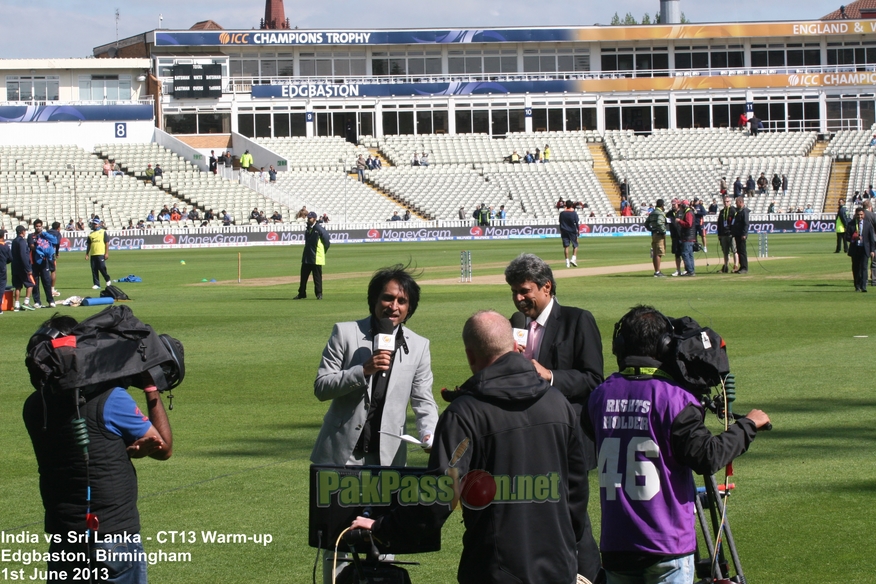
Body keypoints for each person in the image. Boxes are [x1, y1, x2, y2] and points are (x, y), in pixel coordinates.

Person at [351, 310, 586, 584]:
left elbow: (439, 494)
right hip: (558, 565)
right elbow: (576, 489)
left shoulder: (465, 413)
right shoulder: (558, 403)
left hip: (495, 568)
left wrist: (384, 528)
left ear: (470, 356)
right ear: (514, 347)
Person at [583, 305, 770, 584]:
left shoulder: (600, 395)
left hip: (616, 545)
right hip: (665, 544)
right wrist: (748, 425)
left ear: (619, 346)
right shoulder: (675, 399)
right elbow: (707, 456)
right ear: (665, 346)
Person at [23, 314, 173, 584]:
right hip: (113, 535)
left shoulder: (35, 406)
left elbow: (84, 447)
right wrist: (151, 386)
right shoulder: (112, 400)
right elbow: (163, 447)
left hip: (64, 536)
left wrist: (126, 449)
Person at [312, 265, 439, 582]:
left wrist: (429, 433)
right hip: (341, 459)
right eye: (387, 298)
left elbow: (423, 399)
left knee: (384, 537)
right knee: (338, 543)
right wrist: (362, 371)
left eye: (402, 301)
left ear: (410, 308)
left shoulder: (418, 345)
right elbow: (321, 387)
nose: (393, 306)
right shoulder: (345, 333)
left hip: (387, 461)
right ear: (374, 299)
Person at [503, 253, 604, 583]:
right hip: (523, 438)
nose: (519, 299)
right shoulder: (512, 326)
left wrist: (550, 375)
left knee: (572, 516)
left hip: (566, 439)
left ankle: (588, 575)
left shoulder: (577, 320)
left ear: (546, 287)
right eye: (514, 292)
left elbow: (593, 379)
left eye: (524, 291)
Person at [294, 212, 330, 300]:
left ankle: (319, 294)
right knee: (303, 277)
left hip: (316, 257)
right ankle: (302, 293)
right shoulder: (308, 228)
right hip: (307, 256)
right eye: (308, 218)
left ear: (314, 218)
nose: (308, 219)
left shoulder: (319, 229)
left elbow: (327, 242)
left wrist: (322, 252)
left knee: (317, 277)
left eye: (310, 218)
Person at [28, 219, 57, 309]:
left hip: (44, 262)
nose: (38, 228)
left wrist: (44, 235)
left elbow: (55, 241)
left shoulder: (45, 235)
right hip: (34, 262)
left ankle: (51, 301)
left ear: (42, 226)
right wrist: (39, 247)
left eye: (39, 226)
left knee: (47, 282)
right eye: (36, 226)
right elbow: (32, 247)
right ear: (34, 227)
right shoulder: (31, 236)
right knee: (35, 283)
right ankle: (37, 301)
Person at [847, 207, 876, 292]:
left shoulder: (868, 224)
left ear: (864, 215)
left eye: (861, 215)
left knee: (864, 268)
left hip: (865, 249)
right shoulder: (851, 224)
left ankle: (863, 286)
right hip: (855, 249)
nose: (860, 216)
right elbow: (847, 237)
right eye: (858, 215)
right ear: (855, 215)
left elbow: (871, 239)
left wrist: (872, 250)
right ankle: (857, 286)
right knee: (856, 268)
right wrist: (854, 238)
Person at [11, 225, 35, 311]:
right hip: (22, 267)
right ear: (22, 232)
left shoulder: (14, 241)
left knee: (18, 286)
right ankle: (26, 302)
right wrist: (28, 268)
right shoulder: (22, 242)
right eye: (24, 231)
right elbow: (23, 255)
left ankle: (16, 305)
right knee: (31, 284)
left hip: (15, 267)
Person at [85, 219, 111, 290]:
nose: (94, 225)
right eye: (93, 224)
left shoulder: (103, 232)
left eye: (95, 224)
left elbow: (107, 243)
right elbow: (89, 245)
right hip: (93, 254)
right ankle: (97, 284)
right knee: (94, 269)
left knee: (102, 268)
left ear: (99, 224)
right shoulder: (91, 234)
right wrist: (87, 254)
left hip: (101, 253)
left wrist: (106, 253)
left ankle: (107, 279)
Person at [645, 198, 667, 277]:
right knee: (659, 253)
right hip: (659, 234)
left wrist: (651, 229)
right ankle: (657, 272)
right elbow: (659, 223)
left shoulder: (653, 212)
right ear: (662, 205)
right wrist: (663, 231)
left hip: (653, 233)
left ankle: (657, 270)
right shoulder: (660, 213)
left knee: (655, 253)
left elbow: (646, 223)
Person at [717, 194, 738, 273]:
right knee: (725, 252)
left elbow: (735, 222)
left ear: (730, 202)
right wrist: (719, 234)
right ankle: (725, 266)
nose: (726, 203)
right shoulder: (722, 212)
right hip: (723, 234)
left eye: (727, 201)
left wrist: (733, 231)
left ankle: (735, 265)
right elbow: (719, 224)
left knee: (734, 250)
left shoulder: (733, 210)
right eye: (725, 201)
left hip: (731, 234)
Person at [676, 200, 696, 277]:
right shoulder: (689, 212)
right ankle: (691, 270)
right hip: (689, 237)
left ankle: (690, 270)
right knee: (690, 254)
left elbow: (688, 224)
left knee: (685, 254)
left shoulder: (688, 213)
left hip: (687, 237)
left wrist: (679, 221)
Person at [732, 196, 750, 274]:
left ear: (740, 202)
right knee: (739, 251)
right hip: (737, 234)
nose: (736, 204)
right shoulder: (739, 211)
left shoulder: (744, 211)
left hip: (741, 235)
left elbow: (746, 224)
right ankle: (741, 266)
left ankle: (744, 268)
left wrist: (744, 234)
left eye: (737, 202)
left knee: (742, 251)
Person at [559, 199, 580, 268]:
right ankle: (573, 259)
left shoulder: (562, 213)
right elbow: (576, 223)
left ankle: (567, 262)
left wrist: (561, 230)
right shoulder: (574, 213)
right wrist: (578, 230)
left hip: (564, 231)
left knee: (566, 247)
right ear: (571, 205)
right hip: (572, 231)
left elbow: (560, 222)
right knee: (575, 245)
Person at [666, 199, 684, 277]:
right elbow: (665, 221)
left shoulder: (682, 212)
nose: (673, 206)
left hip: (683, 236)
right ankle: (678, 270)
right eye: (672, 204)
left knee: (685, 254)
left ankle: (687, 269)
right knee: (677, 254)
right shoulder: (669, 213)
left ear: (678, 204)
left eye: (674, 204)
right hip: (674, 237)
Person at [47, 221, 62, 298]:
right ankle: (52, 290)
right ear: (58, 228)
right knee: (53, 271)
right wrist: (57, 253)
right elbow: (57, 243)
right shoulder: (57, 234)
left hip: (42, 254)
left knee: (43, 272)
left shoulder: (47, 232)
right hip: (50, 253)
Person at [0, 229, 11, 315]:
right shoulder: (5, 246)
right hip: (2, 268)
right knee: (1, 287)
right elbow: (10, 258)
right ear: (3, 236)